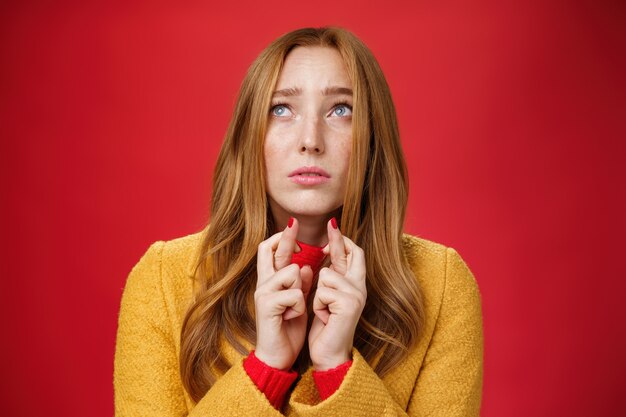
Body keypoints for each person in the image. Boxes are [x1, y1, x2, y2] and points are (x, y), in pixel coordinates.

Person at [114, 26, 483, 416]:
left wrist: (337, 370)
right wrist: (265, 369)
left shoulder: (441, 284)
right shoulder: (162, 279)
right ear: (249, 135)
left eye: (341, 109)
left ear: (373, 139)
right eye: (281, 109)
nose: (311, 139)